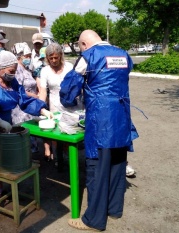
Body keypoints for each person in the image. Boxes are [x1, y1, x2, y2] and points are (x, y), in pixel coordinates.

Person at [59, 30, 139, 231]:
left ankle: (93, 220)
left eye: (80, 46)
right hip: (121, 117)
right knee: (117, 164)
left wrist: (68, 101)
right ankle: (114, 209)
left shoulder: (88, 57)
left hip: (101, 121)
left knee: (97, 169)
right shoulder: (123, 54)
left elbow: (70, 86)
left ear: (84, 44)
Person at [0, 51, 53, 210]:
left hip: (4, 127)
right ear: (0, 68)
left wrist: (42, 110)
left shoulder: (12, 83)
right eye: (11, 71)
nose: (13, 74)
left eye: (14, 71)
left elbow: (24, 99)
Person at [39, 43, 73, 162]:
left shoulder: (69, 67)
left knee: (68, 132)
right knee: (56, 133)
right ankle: (58, 158)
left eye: (56, 57)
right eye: (51, 58)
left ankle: (67, 155)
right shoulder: (45, 71)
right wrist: (41, 108)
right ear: (47, 58)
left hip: (70, 105)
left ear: (61, 56)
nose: (54, 60)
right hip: (54, 106)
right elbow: (43, 91)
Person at [11, 42, 39, 153]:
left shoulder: (26, 69)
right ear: (19, 56)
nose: (29, 58)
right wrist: (34, 96)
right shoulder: (17, 70)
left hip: (29, 108)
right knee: (23, 134)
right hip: (21, 109)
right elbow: (18, 90)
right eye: (26, 56)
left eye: (29, 56)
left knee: (31, 134)